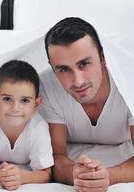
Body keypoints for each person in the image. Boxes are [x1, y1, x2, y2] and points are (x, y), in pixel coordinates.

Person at [40, 17, 134, 191]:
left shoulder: (129, 80)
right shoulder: (45, 86)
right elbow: (55, 155)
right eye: (63, 69)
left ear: (103, 57)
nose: (78, 81)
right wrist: (75, 174)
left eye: (84, 64)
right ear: (52, 67)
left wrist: (108, 176)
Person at [0, 60, 53, 190]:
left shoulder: (38, 127)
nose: (15, 108)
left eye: (25, 100)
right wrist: (1, 176)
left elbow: (46, 173)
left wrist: (21, 177)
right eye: (7, 99)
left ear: (36, 104)